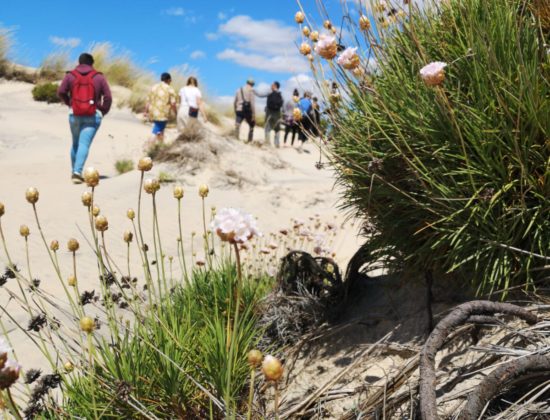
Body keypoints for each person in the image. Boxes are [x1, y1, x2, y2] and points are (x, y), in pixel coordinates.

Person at [58, 53, 112, 184]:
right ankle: (77, 172)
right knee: (84, 144)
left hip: (74, 114)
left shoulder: (70, 75)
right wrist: (102, 111)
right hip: (93, 116)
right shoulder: (98, 77)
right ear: (92, 63)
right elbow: (108, 97)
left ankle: (74, 172)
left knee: (76, 143)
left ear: (79, 62)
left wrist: (70, 104)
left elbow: (61, 92)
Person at [145, 72, 177, 142]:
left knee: (160, 130)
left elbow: (148, 101)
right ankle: (148, 145)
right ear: (168, 80)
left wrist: (145, 111)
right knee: (156, 130)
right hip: (162, 113)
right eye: (170, 80)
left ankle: (160, 145)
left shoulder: (153, 87)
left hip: (153, 112)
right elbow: (173, 103)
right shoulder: (169, 88)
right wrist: (176, 112)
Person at [257, 81, 284, 147]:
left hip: (269, 113)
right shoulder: (280, 94)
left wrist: (254, 92)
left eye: (272, 85)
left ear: (275, 86)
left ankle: (267, 143)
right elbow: (282, 104)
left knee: (267, 128)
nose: (271, 86)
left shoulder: (270, 93)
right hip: (277, 114)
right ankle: (277, 143)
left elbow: (261, 95)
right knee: (277, 129)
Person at [234, 78, 256, 142]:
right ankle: (249, 140)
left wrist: (235, 109)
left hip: (239, 109)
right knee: (252, 125)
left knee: (237, 124)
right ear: (252, 84)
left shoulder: (238, 90)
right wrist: (254, 115)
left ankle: (235, 139)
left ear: (247, 82)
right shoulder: (251, 91)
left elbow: (234, 101)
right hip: (247, 110)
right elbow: (252, 104)